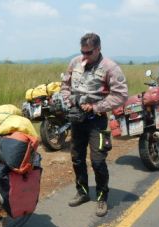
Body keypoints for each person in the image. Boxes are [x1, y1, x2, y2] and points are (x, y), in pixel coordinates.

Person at [61, 33, 128, 217]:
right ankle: (82, 192)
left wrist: (96, 106)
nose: (84, 56)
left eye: (88, 52)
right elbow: (65, 85)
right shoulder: (75, 62)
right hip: (77, 120)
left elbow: (121, 94)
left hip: (97, 121)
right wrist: (69, 100)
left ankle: (101, 197)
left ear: (98, 49)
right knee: (76, 158)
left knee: (98, 161)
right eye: (82, 51)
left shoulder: (110, 67)